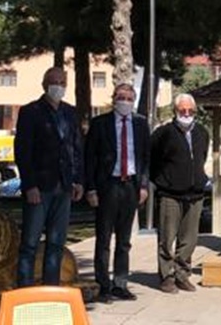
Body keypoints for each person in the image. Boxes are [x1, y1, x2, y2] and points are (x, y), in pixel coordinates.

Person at [14, 67, 83, 286]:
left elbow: (76, 148)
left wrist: (78, 180)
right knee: (30, 242)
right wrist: (29, 184)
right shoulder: (31, 112)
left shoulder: (70, 113)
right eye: (55, 82)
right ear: (45, 84)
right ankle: (24, 287)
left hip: (63, 186)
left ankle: (51, 286)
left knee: (56, 242)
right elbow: (23, 151)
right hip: (39, 187)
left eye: (63, 82)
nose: (59, 86)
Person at [84, 84, 150, 303]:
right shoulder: (100, 124)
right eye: (121, 97)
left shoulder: (140, 124)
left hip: (130, 185)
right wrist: (91, 188)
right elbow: (90, 158)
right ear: (114, 99)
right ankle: (103, 285)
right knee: (103, 238)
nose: (125, 101)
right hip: (107, 186)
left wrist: (143, 186)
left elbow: (144, 158)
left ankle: (120, 283)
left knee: (124, 240)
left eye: (129, 98)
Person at [150, 93, 210, 294]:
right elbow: (152, 159)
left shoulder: (202, 132)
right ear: (175, 111)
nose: (186, 113)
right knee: (167, 239)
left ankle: (182, 274)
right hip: (170, 194)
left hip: (195, 195)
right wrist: (162, 181)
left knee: (189, 239)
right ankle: (166, 276)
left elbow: (202, 157)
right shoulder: (163, 133)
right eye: (182, 110)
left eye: (190, 110)